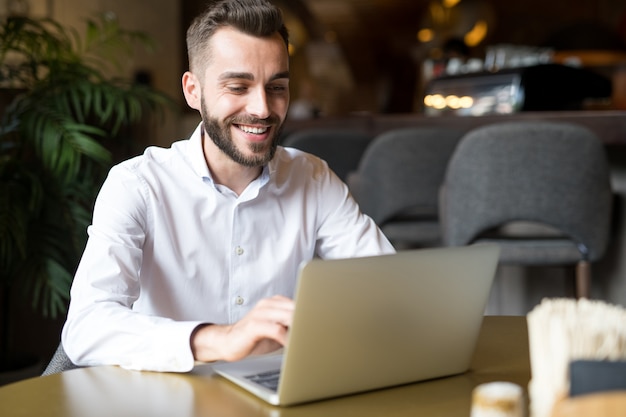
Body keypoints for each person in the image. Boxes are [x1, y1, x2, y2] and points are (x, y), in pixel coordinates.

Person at [61, 0, 395, 373]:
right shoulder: (137, 185)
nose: (263, 108)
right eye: (238, 86)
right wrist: (221, 338)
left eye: (277, 87)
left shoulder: (312, 177)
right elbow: (86, 327)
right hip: (168, 397)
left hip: (280, 395)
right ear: (193, 90)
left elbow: (386, 286)